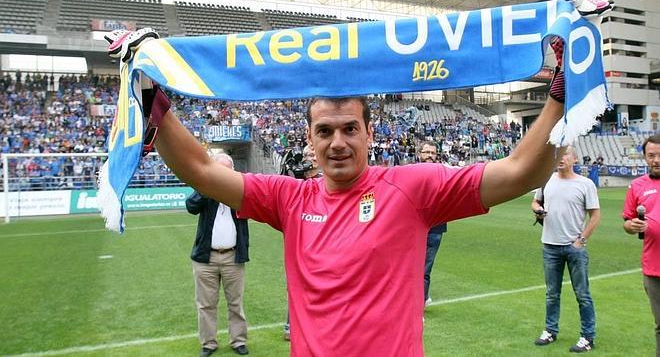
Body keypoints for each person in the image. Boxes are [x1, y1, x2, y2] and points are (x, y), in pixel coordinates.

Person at [113, 27, 570, 356]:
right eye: (325, 131)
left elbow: (522, 171)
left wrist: (559, 93)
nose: (338, 143)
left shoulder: (414, 187)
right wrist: (154, 97)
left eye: (350, 128)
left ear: (370, 133)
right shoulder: (290, 200)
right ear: (309, 140)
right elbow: (200, 170)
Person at [531, 146, 600, 353]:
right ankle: (551, 330)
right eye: (558, 155)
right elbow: (535, 201)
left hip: (574, 248)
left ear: (574, 158)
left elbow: (595, 216)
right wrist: (538, 210)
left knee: (582, 294)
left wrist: (581, 240)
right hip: (550, 245)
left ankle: (588, 336)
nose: (561, 158)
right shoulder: (546, 180)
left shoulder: (585, 184)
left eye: (565, 154)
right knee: (552, 293)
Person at [186, 153, 250, 357]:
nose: (223, 175)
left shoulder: (241, 192)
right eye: (219, 170)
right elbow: (191, 206)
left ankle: (238, 340)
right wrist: (209, 187)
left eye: (226, 171)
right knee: (206, 304)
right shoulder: (206, 189)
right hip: (206, 258)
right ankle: (208, 343)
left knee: (235, 303)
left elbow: (253, 208)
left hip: (233, 257)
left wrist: (232, 190)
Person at [622, 134, 660, 357]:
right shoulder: (637, 186)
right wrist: (631, 226)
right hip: (654, 268)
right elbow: (626, 222)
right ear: (645, 158)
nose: (656, 160)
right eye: (651, 155)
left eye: (659, 155)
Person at [283, 144, 322, 341]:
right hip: (300, 248)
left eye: (313, 155)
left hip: (324, 249)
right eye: (307, 155)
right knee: (295, 287)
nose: (310, 159)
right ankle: (291, 325)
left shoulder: (327, 181)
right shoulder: (295, 182)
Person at [418, 141, 448, 306]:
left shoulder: (444, 175)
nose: (429, 155)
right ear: (420, 154)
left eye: (433, 153)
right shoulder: (410, 174)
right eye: (426, 152)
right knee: (412, 266)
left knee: (426, 267)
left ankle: (420, 301)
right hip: (414, 229)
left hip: (435, 229)